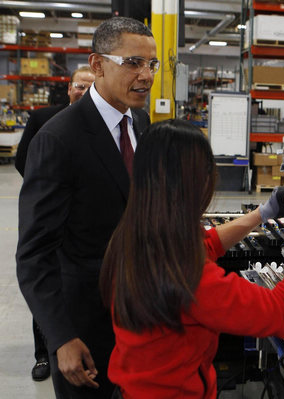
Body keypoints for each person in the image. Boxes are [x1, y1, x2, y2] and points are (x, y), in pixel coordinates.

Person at [99, 119, 284, 399]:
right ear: (190, 184)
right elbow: (282, 312)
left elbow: (207, 244)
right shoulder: (190, 280)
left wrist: (263, 213)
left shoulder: (133, 237)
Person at [16, 16, 156, 399]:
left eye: (151, 64)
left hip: (139, 312)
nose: (146, 76)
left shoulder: (140, 122)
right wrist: (61, 337)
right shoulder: (59, 139)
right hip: (86, 323)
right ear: (97, 65)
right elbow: (34, 254)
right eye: (133, 63)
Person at [14, 66, 95, 382]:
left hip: (81, 224)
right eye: (79, 85)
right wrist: (49, 191)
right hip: (50, 213)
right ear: (69, 89)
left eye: (90, 86)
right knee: (46, 279)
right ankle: (41, 355)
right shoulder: (44, 118)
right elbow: (24, 159)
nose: (84, 91)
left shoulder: (100, 125)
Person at [15, 66, 95, 177]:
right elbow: (22, 160)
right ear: (69, 89)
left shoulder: (103, 123)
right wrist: (40, 187)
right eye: (80, 87)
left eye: (92, 89)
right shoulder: (41, 118)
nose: (85, 93)